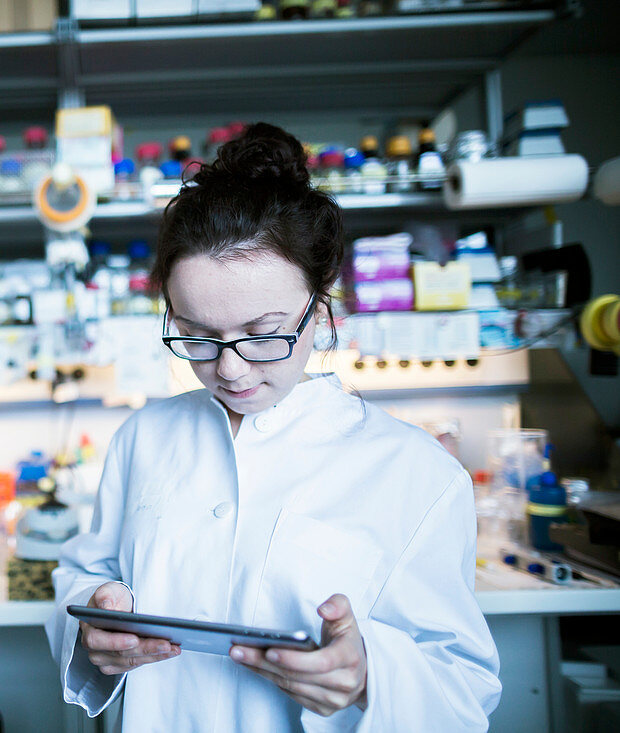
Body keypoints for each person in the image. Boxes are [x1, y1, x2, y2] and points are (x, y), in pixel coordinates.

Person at [45, 123, 501, 731]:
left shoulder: (418, 472)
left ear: (321, 301)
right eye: (197, 335)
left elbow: (465, 688)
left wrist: (370, 676)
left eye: (263, 333)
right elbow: (84, 574)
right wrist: (91, 627)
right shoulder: (144, 438)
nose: (229, 368)